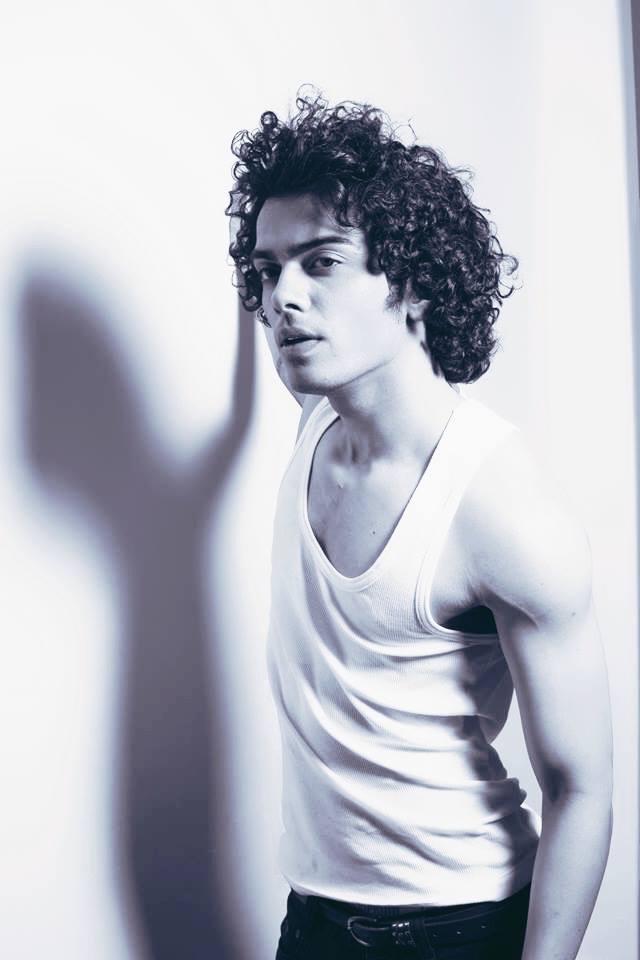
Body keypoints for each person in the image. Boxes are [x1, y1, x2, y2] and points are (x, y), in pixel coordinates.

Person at [226, 89, 613, 960]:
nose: (283, 299)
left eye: (322, 262)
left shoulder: (502, 511)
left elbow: (581, 791)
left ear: (409, 281)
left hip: (454, 930)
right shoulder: (316, 417)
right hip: (311, 920)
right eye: (267, 271)